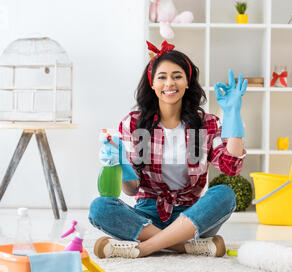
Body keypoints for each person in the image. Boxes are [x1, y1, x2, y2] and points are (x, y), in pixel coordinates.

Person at [89, 40, 248, 259]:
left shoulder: (205, 124)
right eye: (162, 77)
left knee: (225, 194)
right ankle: (183, 246)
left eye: (177, 76)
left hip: (191, 218)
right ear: (152, 84)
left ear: (187, 82)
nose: (169, 83)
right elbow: (131, 191)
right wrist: (118, 163)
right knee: (100, 207)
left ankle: (144, 248)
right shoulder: (135, 124)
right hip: (147, 215)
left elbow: (231, 167)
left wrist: (233, 115)